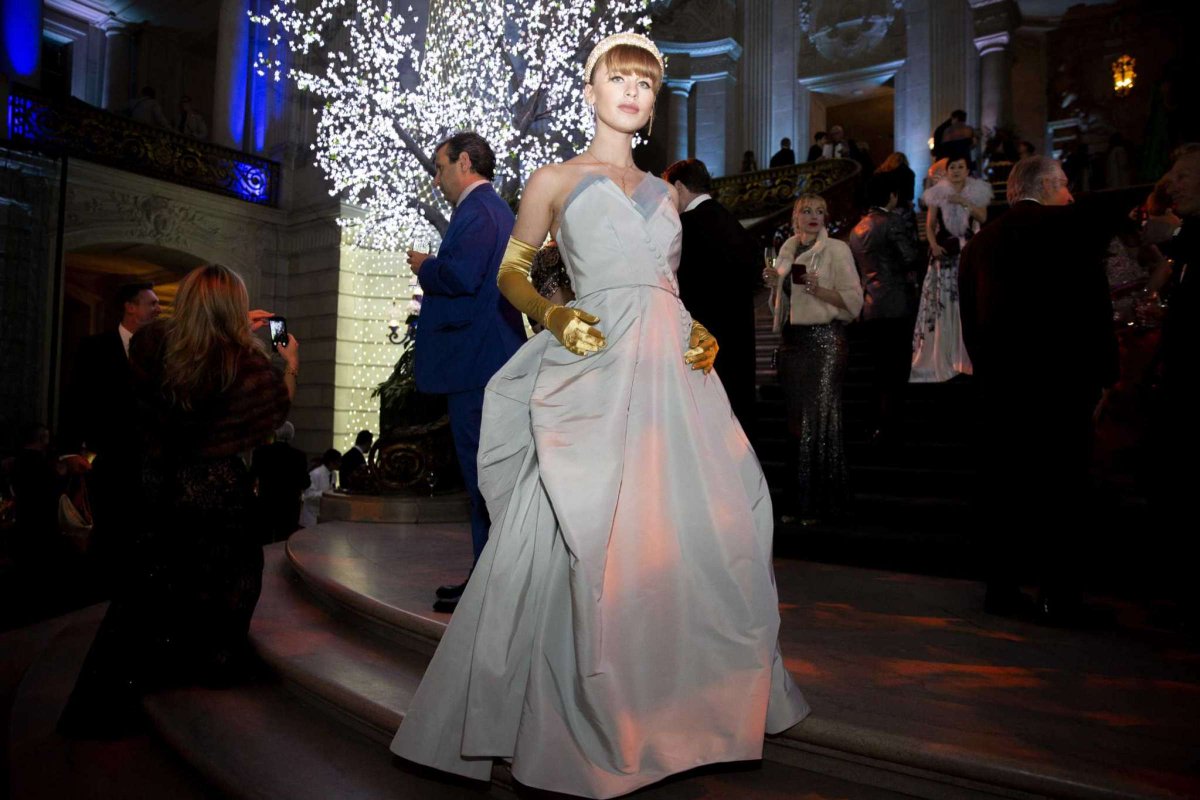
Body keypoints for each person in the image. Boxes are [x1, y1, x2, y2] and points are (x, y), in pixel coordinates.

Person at [390, 32, 809, 797]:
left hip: (671, 368)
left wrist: (697, 330)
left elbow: (665, 283)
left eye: (645, 84)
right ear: (591, 90)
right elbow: (512, 274)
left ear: (653, 103)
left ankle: (687, 699)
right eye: (619, 79)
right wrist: (554, 317)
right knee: (584, 521)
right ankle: (585, 700)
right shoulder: (553, 179)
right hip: (594, 356)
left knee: (708, 521)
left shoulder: (665, 194)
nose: (632, 92)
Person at [59, 264, 298, 738]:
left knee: (159, 579)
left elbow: (180, 348)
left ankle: (149, 684)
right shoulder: (245, 363)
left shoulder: (151, 346)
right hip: (216, 489)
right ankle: (206, 676)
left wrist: (216, 321)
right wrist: (289, 363)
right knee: (228, 582)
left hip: (160, 484)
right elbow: (272, 417)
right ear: (233, 308)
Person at [959, 156, 1120, 623]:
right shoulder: (1072, 229)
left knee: (1004, 489)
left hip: (1002, 387)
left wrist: (988, 373)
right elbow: (1094, 307)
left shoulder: (980, 244)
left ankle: (1002, 589)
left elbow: (970, 321)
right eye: (1065, 184)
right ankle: (1059, 595)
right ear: (1047, 185)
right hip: (1062, 383)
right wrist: (1107, 373)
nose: (1070, 194)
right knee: (1063, 488)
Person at [406, 131, 528, 611]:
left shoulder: (480, 211)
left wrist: (425, 266)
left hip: (477, 363)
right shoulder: (489, 210)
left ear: (464, 163)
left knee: (484, 478)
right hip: (483, 359)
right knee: (484, 477)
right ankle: (484, 578)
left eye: (440, 168)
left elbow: (461, 276)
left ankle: (489, 584)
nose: (437, 180)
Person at [766, 193, 864, 524]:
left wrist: (818, 289)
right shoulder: (786, 252)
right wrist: (774, 286)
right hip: (792, 344)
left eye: (820, 211)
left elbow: (854, 301)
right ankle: (797, 502)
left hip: (826, 343)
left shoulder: (837, 250)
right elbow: (782, 308)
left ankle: (820, 505)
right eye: (807, 211)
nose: (814, 216)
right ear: (795, 217)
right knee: (796, 424)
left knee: (818, 422)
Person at [61, 282, 160, 576]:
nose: (158, 309)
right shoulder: (96, 347)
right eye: (152, 303)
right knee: (107, 534)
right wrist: (68, 450)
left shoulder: (160, 350)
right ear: (130, 307)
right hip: (107, 460)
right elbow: (76, 397)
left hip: (149, 461)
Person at [664, 157, 761, 430]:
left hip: (703, 348)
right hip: (739, 344)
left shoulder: (685, 226)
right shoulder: (730, 220)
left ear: (679, 187)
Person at [849, 173, 921, 441]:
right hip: (896, 302)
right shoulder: (892, 221)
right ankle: (892, 424)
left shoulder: (857, 229)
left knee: (878, 367)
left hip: (871, 305)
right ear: (891, 195)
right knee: (897, 367)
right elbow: (909, 257)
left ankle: (875, 422)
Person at [910, 155, 990, 382]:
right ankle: (944, 355)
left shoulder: (977, 191)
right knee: (944, 304)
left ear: (967, 170)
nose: (956, 170)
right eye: (952, 167)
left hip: (968, 253)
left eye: (960, 167)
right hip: (945, 256)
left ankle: (966, 356)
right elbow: (930, 225)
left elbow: (983, 217)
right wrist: (933, 245)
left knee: (966, 302)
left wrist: (962, 201)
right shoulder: (937, 194)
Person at [250, 421, 310, 544]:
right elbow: (305, 483)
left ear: (276, 433)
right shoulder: (299, 456)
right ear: (291, 435)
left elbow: (251, 477)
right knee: (285, 541)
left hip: (266, 503)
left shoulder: (260, 452)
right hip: (289, 506)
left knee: (264, 540)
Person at [300, 448, 341, 528]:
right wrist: (327, 494)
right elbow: (308, 495)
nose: (340, 464)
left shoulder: (334, 474)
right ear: (331, 462)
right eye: (338, 462)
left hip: (323, 512)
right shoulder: (316, 474)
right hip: (311, 514)